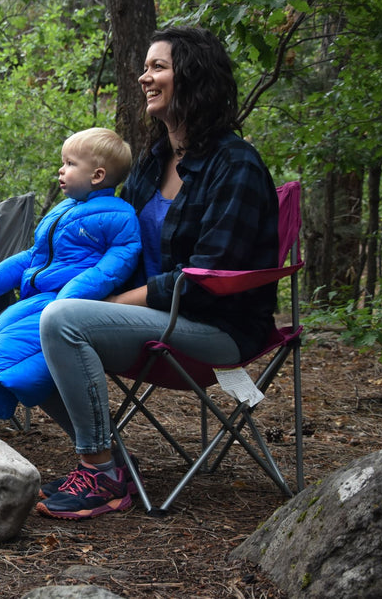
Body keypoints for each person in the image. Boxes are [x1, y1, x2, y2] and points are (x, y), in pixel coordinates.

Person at [35, 26, 279, 520]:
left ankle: (101, 476)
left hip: (219, 329)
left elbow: (208, 277)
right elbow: (123, 248)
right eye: (145, 67)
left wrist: (111, 305)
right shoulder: (154, 160)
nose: (145, 77)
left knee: (61, 321)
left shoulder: (236, 165)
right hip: (155, 317)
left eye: (158, 67)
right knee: (33, 319)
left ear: (192, 77)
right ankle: (115, 461)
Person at [0, 128, 141, 420]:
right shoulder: (63, 209)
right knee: (5, 326)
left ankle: (3, 386)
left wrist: (73, 294)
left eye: (70, 164)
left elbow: (115, 265)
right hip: (42, 297)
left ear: (96, 176)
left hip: (68, 301)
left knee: (26, 342)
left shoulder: (119, 216)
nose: (61, 169)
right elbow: (37, 254)